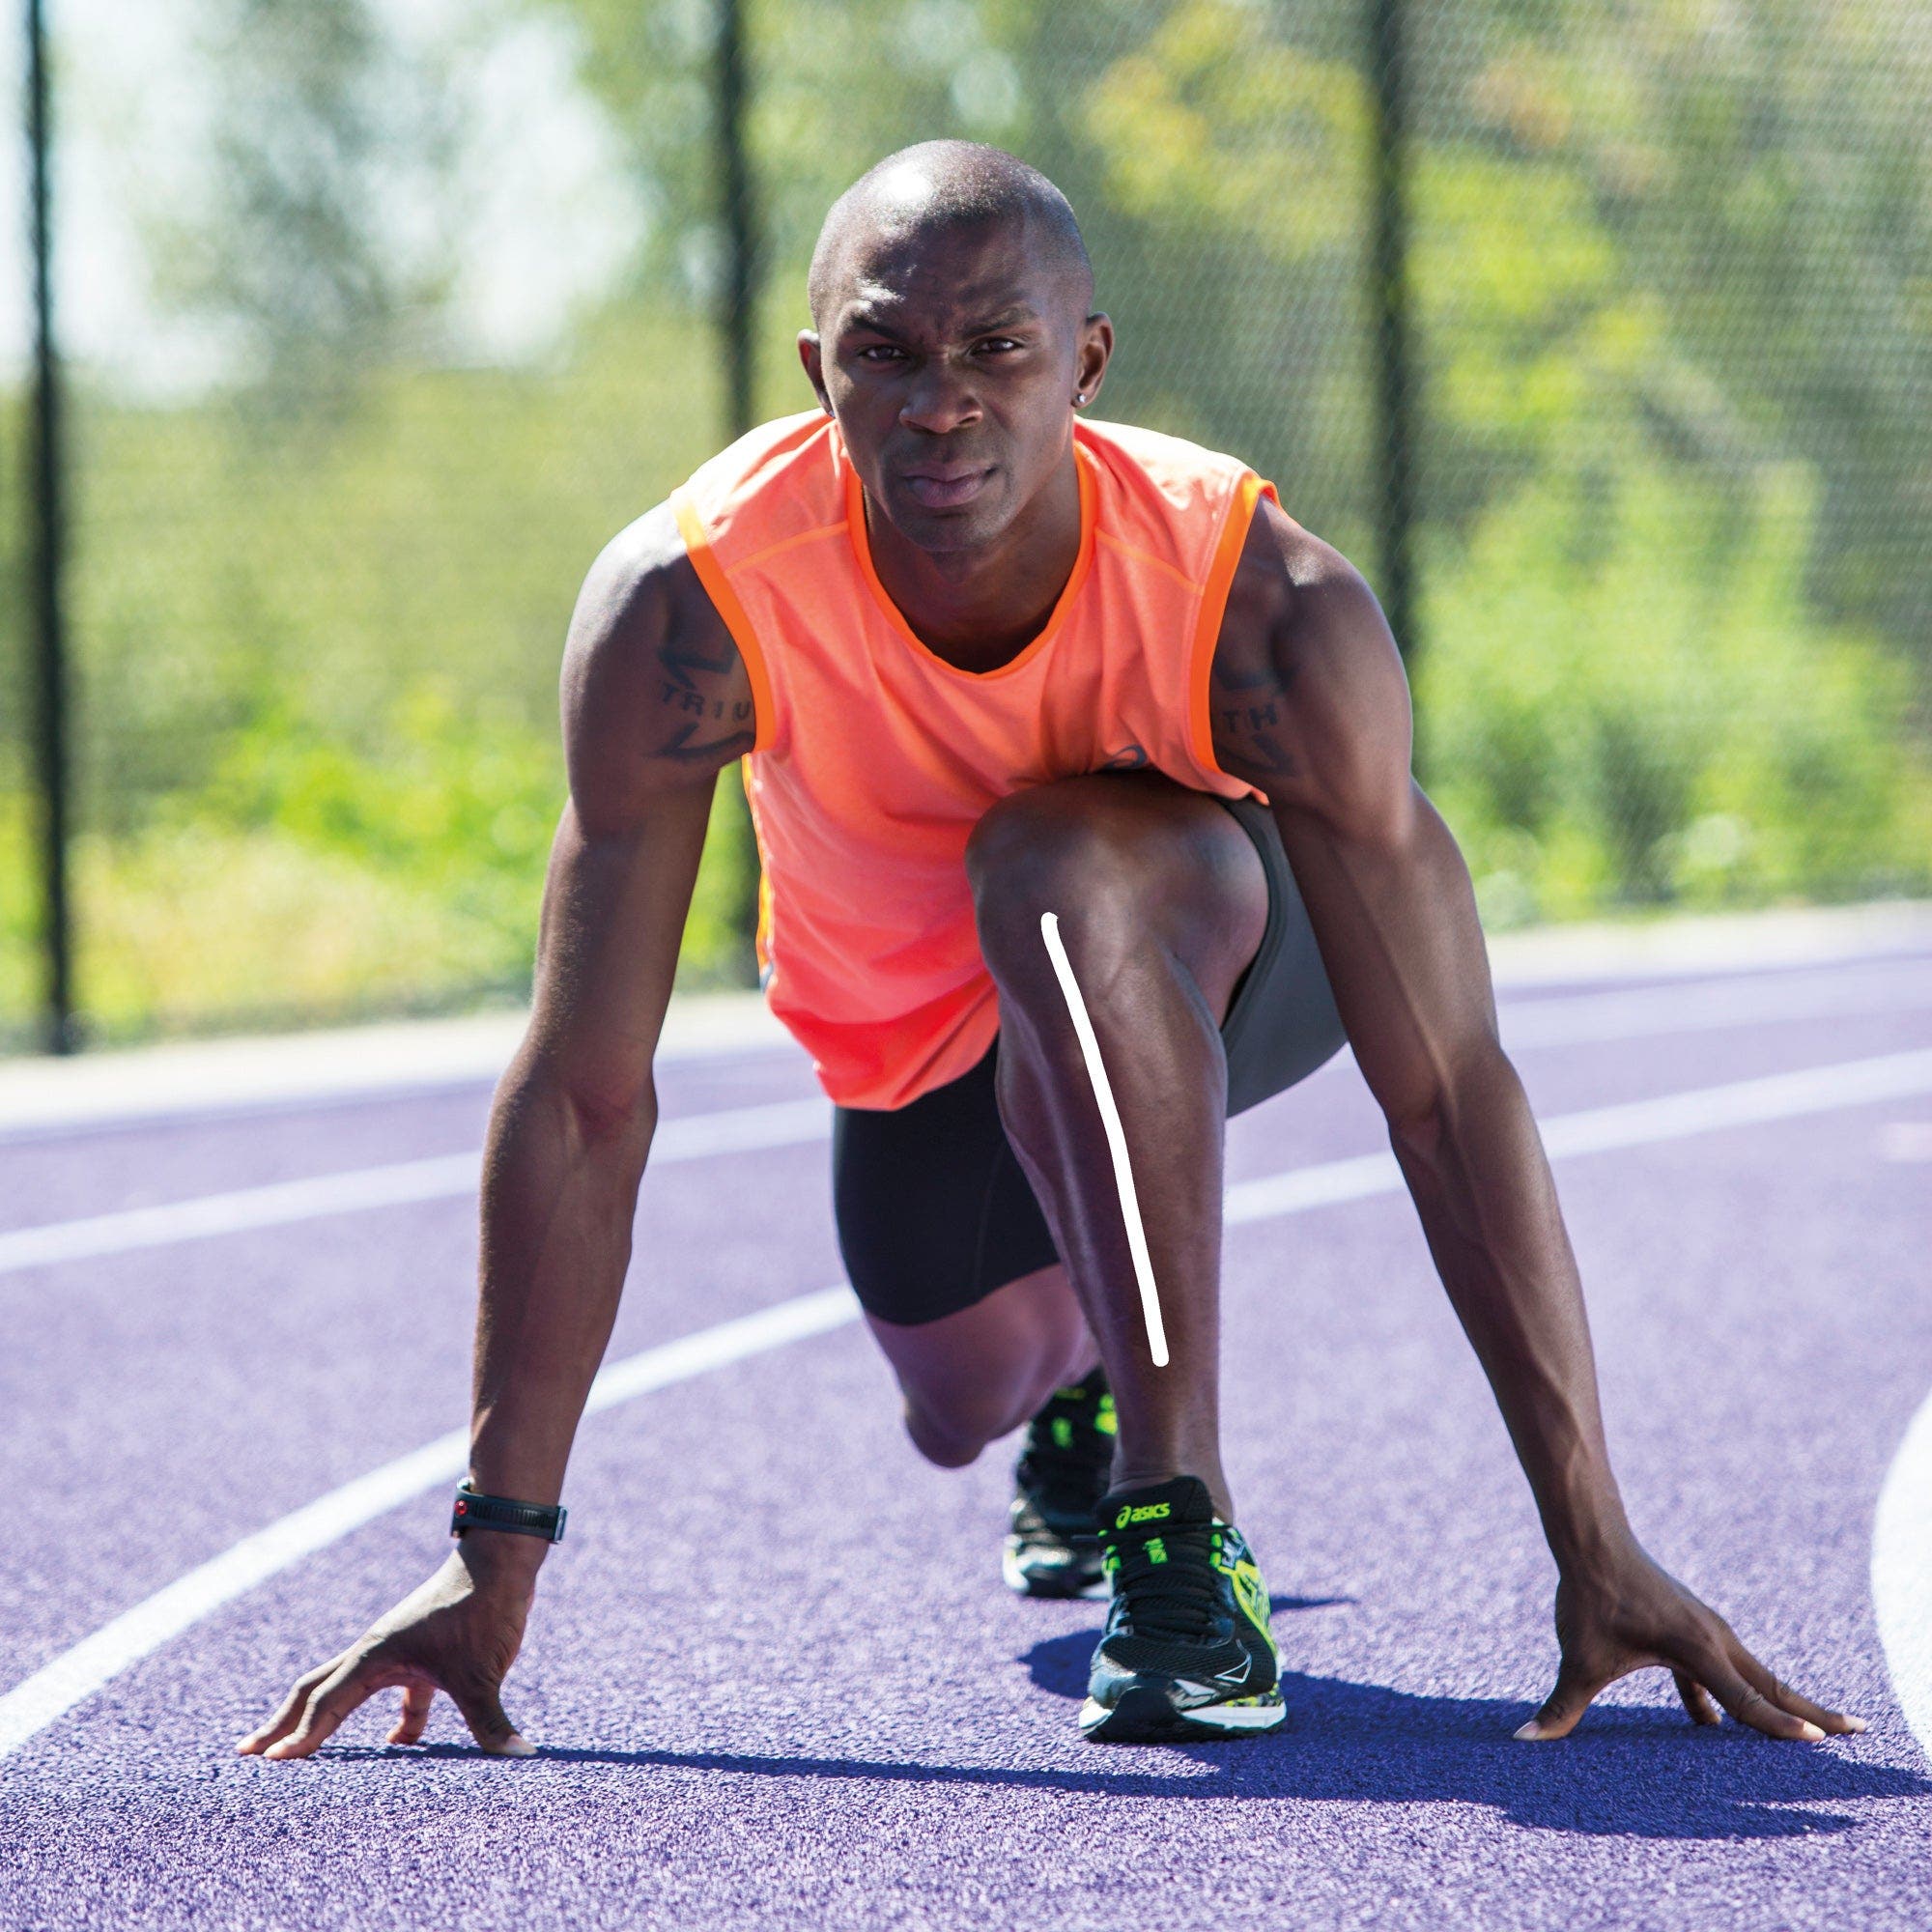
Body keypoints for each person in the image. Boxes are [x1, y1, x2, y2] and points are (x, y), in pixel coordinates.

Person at [239, 141, 1862, 1755]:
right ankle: (1082, 1382)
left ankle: (1178, 1536)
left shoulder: (1265, 613)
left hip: (1208, 955)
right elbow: (589, 1093)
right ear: (819, 371)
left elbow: (1445, 1088)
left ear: (1083, 362)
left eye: (995, 350)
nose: (940, 402)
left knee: (1055, 864)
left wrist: (1594, 1537)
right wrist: (490, 1551)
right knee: (957, 1403)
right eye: (885, 353)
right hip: (916, 1039)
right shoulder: (693, 611)